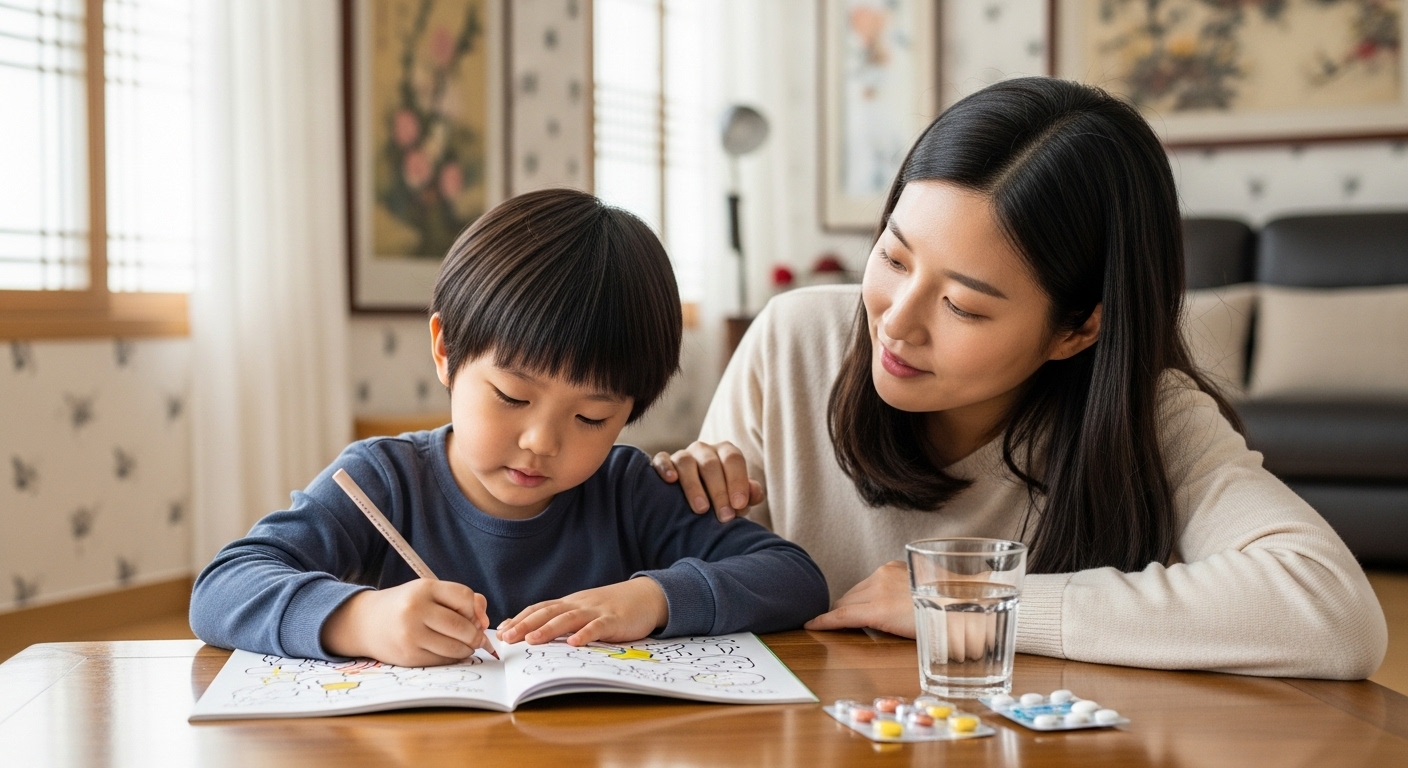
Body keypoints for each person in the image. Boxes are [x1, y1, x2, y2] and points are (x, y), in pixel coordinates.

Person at [653, 77, 1387, 679]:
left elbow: (1333, 613)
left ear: (1077, 328)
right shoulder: (793, 341)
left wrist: (971, 599)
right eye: (895, 257)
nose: (896, 322)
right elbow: (691, 590)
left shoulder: (1149, 415)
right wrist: (661, 504)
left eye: (963, 305)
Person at [190, 189, 829, 667]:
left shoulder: (630, 490)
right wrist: (360, 619)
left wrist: (651, 600)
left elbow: (794, 578)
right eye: (511, 396)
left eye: (590, 417)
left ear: (631, 412)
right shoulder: (381, 481)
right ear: (445, 350)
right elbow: (222, 589)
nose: (541, 442)